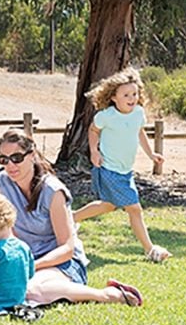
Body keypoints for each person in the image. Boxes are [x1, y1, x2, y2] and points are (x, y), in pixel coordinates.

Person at [0, 130, 143, 307]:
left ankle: (108, 295)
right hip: (27, 259)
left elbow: (67, 249)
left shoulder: (53, 191)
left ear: (31, 155)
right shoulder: (4, 181)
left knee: (30, 291)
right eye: (3, 160)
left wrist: (29, 266)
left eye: (16, 158)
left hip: (62, 262)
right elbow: (10, 231)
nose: (10, 165)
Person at [73, 67, 170, 262]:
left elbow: (139, 132)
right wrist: (94, 151)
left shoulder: (138, 113)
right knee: (134, 208)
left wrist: (151, 154)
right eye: (126, 95)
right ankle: (150, 250)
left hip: (126, 172)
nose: (132, 98)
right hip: (109, 169)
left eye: (134, 94)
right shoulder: (106, 116)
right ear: (113, 97)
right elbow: (93, 130)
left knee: (108, 206)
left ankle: (70, 218)